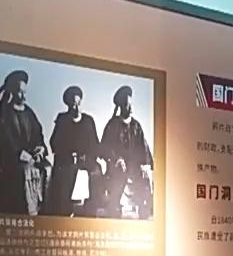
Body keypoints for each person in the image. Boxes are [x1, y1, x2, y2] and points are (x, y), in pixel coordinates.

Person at [0, 69, 47, 215]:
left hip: (31, 157)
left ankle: (42, 211)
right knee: (24, 171)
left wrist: (40, 149)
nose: (23, 96)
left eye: (24, 92)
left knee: (47, 168)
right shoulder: (5, 114)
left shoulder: (29, 113)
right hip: (13, 161)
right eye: (19, 92)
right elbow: (5, 140)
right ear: (12, 92)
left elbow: (38, 134)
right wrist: (21, 154)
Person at [99, 85, 154, 219]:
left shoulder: (136, 126)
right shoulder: (112, 125)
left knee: (144, 178)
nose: (129, 107)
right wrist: (116, 159)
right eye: (126, 105)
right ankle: (115, 208)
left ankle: (144, 211)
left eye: (130, 104)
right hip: (117, 166)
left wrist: (144, 164)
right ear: (121, 107)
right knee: (116, 181)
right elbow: (105, 147)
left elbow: (143, 147)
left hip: (134, 167)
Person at [46, 85, 101, 217]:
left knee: (96, 170)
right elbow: (54, 143)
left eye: (78, 104)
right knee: (65, 174)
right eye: (73, 105)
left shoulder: (88, 120)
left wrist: (86, 156)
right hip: (67, 161)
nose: (76, 108)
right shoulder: (62, 119)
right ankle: (65, 210)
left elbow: (95, 145)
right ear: (68, 106)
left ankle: (91, 209)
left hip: (85, 160)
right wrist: (70, 154)